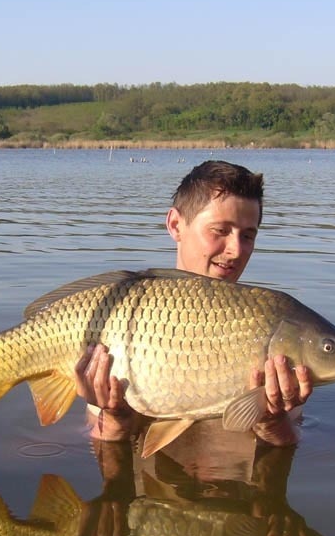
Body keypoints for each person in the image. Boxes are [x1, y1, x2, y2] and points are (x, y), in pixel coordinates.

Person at [74, 160, 312, 447]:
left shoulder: (269, 327)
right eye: (220, 231)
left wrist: (272, 423)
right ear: (176, 225)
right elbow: (98, 445)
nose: (236, 250)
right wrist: (115, 418)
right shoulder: (119, 319)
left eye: (248, 235)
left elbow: (288, 446)